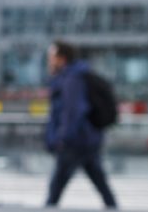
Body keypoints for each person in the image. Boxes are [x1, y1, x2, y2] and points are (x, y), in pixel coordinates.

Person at [45, 40, 118, 209]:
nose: (49, 60)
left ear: (62, 58)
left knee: (55, 190)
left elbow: (73, 112)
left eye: (51, 57)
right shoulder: (72, 76)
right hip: (87, 140)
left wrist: (62, 138)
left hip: (76, 142)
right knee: (100, 183)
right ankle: (113, 207)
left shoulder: (72, 79)